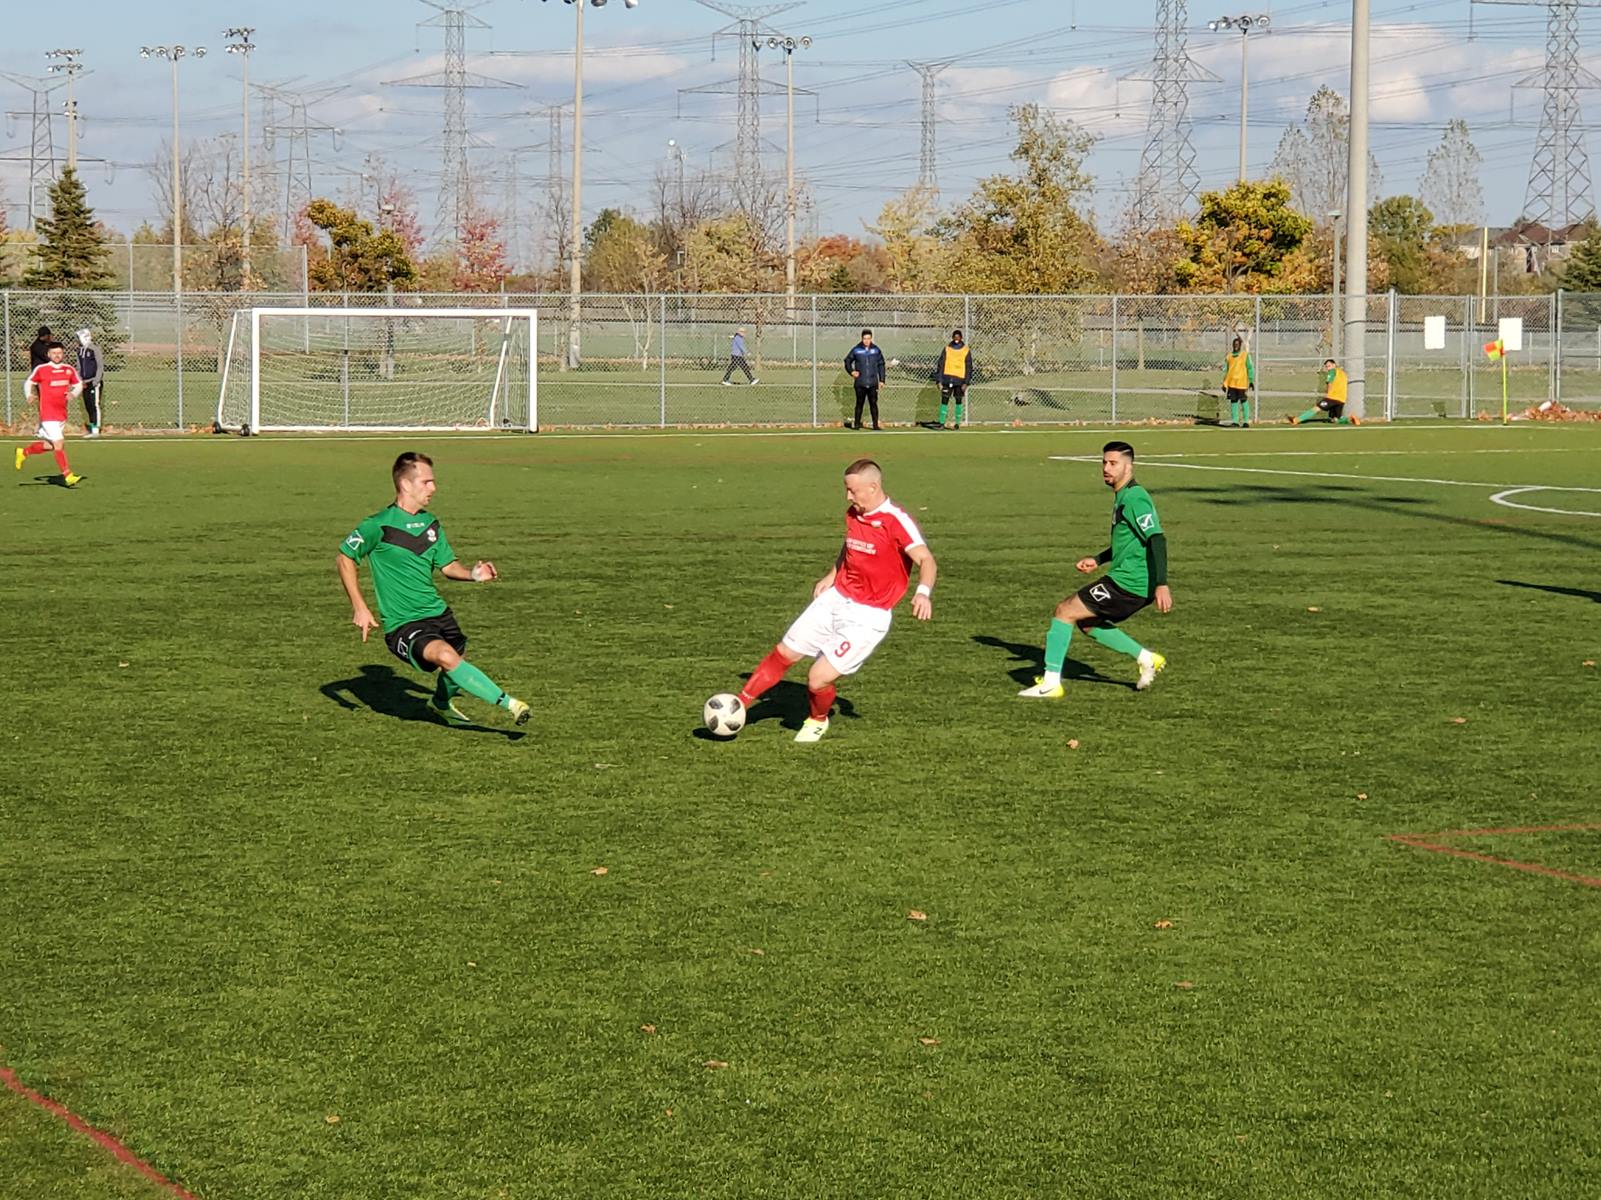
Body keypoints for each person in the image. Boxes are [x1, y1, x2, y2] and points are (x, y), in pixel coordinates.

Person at [732, 457, 936, 743]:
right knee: (784, 653)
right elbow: (850, 546)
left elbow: (926, 559)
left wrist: (922, 592)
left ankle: (817, 720)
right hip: (836, 598)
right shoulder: (853, 514)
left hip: (867, 617)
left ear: (873, 487)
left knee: (817, 678)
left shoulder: (896, 521)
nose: (848, 496)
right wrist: (832, 574)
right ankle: (738, 705)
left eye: (853, 490)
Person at [336, 451, 531, 728]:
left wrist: (473, 575)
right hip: (403, 623)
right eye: (427, 482)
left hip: (439, 614)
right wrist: (360, 606)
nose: (434, 488)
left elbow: (448, 566)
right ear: (405, 485)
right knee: (446, 656)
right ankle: (511, 704)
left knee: (454, 664)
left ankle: (440, 704)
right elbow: (344, 557)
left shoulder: (431, 524)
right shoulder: (377, 525)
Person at [1018, 441, 1170, 699]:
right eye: (1104, 462)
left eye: (1113, 463)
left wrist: (1161, 583)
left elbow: (1156, 538)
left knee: (1064, 611)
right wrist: (1098, 559)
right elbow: (1131, 542)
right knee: (1087, 623)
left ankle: (1051, 683)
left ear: (1129, 466)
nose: (1106, 468)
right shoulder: (1123, 495)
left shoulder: (1135, 498)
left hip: (1130, 582)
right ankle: (1146, 658)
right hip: (1127, 579)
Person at [15, 343, 84, 487]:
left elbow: (78, 384)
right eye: (54, 353)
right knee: (59, 443)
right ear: (49, 355)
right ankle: (67, 475)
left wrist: (74, 393)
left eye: (59, 353)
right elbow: (29, 382)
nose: (57, 355)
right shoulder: (42, 369)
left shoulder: (68, 369)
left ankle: (24, 452)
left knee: (49, 445)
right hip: (47, 414)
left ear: (63, 354)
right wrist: (29, 395)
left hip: (61, 414)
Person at [1292, 358, 1360, 425]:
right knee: (1335, 419)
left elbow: (1330, 383)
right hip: (1342, 399)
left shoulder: (1332, 371)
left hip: (1332, 397)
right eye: (1327, 367)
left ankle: (1297, 420)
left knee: (1316, 408)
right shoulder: (1343, 374)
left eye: (1329, 366)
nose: (1328, 368)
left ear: (1334, 365)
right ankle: (1350, 419)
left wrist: (1328, 394)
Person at [844, 329, 889, 429]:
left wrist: (882, 380)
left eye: (868, 338)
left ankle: (875, 425)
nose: (866, 341)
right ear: (862, 338)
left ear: (871, 339)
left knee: (873, 403)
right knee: (859, 403)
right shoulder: (856, 350)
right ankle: (856, 425)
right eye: (864, 338)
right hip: (860, 382)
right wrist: (851, 371)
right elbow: (847, 361)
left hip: (873, 383)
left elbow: (881, 364)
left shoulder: (876, 350)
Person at [933, 329, 973, 430]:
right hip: (947, 379)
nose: (956, 339)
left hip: (960, 380)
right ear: (952, 337)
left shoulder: (965, 350)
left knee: (958, 400)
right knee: (944, 400)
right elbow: (940, 365)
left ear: (961, 338)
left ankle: (957, 424)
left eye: (958, 337)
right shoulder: (947, 349)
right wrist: (939, 380)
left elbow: (969, 367)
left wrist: (966, 382)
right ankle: (941, 423)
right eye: (955, 337)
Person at [76, 328, 104, 437]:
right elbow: (79, 367)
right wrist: (80, 380)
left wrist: (96, 380)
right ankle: (92, 428)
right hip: (84, 383)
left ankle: (96, 430)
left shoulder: (94, 349)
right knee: (87, 405)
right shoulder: (79, 350)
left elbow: (100, 366)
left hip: (93, 382)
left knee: (94, 405)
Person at [1222, 335, 1254, 427]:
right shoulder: (1229, 357)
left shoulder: (1245, 355)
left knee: (1244, 401)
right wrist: (1225, 384)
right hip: (1232, 384)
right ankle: (1235, 421)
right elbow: (1227, 371)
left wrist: (1251, 380)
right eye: (1234, 344)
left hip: (1242, 384)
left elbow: (1250, 368)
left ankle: (1246, 421)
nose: (1236, 346)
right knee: (1234, 401)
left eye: (1237, 344)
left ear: (1240, 345)